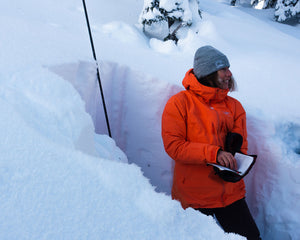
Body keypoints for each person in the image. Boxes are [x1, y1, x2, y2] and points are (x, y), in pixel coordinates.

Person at [161, 45, 261, 240]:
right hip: (194, 198)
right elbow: (174, 146)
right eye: (223, 69)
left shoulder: (234, 107)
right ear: (208, 72)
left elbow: (242, 148)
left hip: (230, 194)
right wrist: (214, 154)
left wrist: (235, 155)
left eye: (228, 68)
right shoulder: (180, 103)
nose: (229, 74)